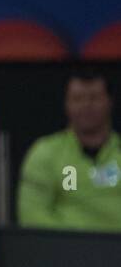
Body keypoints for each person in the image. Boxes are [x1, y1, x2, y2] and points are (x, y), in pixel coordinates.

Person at [18, 67, 120, 231]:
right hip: (64, 253)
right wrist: (72, 246)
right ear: (66, 104)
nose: (86, 105)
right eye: (78, 99)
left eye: (94, 98)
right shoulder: (45, 153)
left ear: (110, 101)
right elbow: (32, 215)